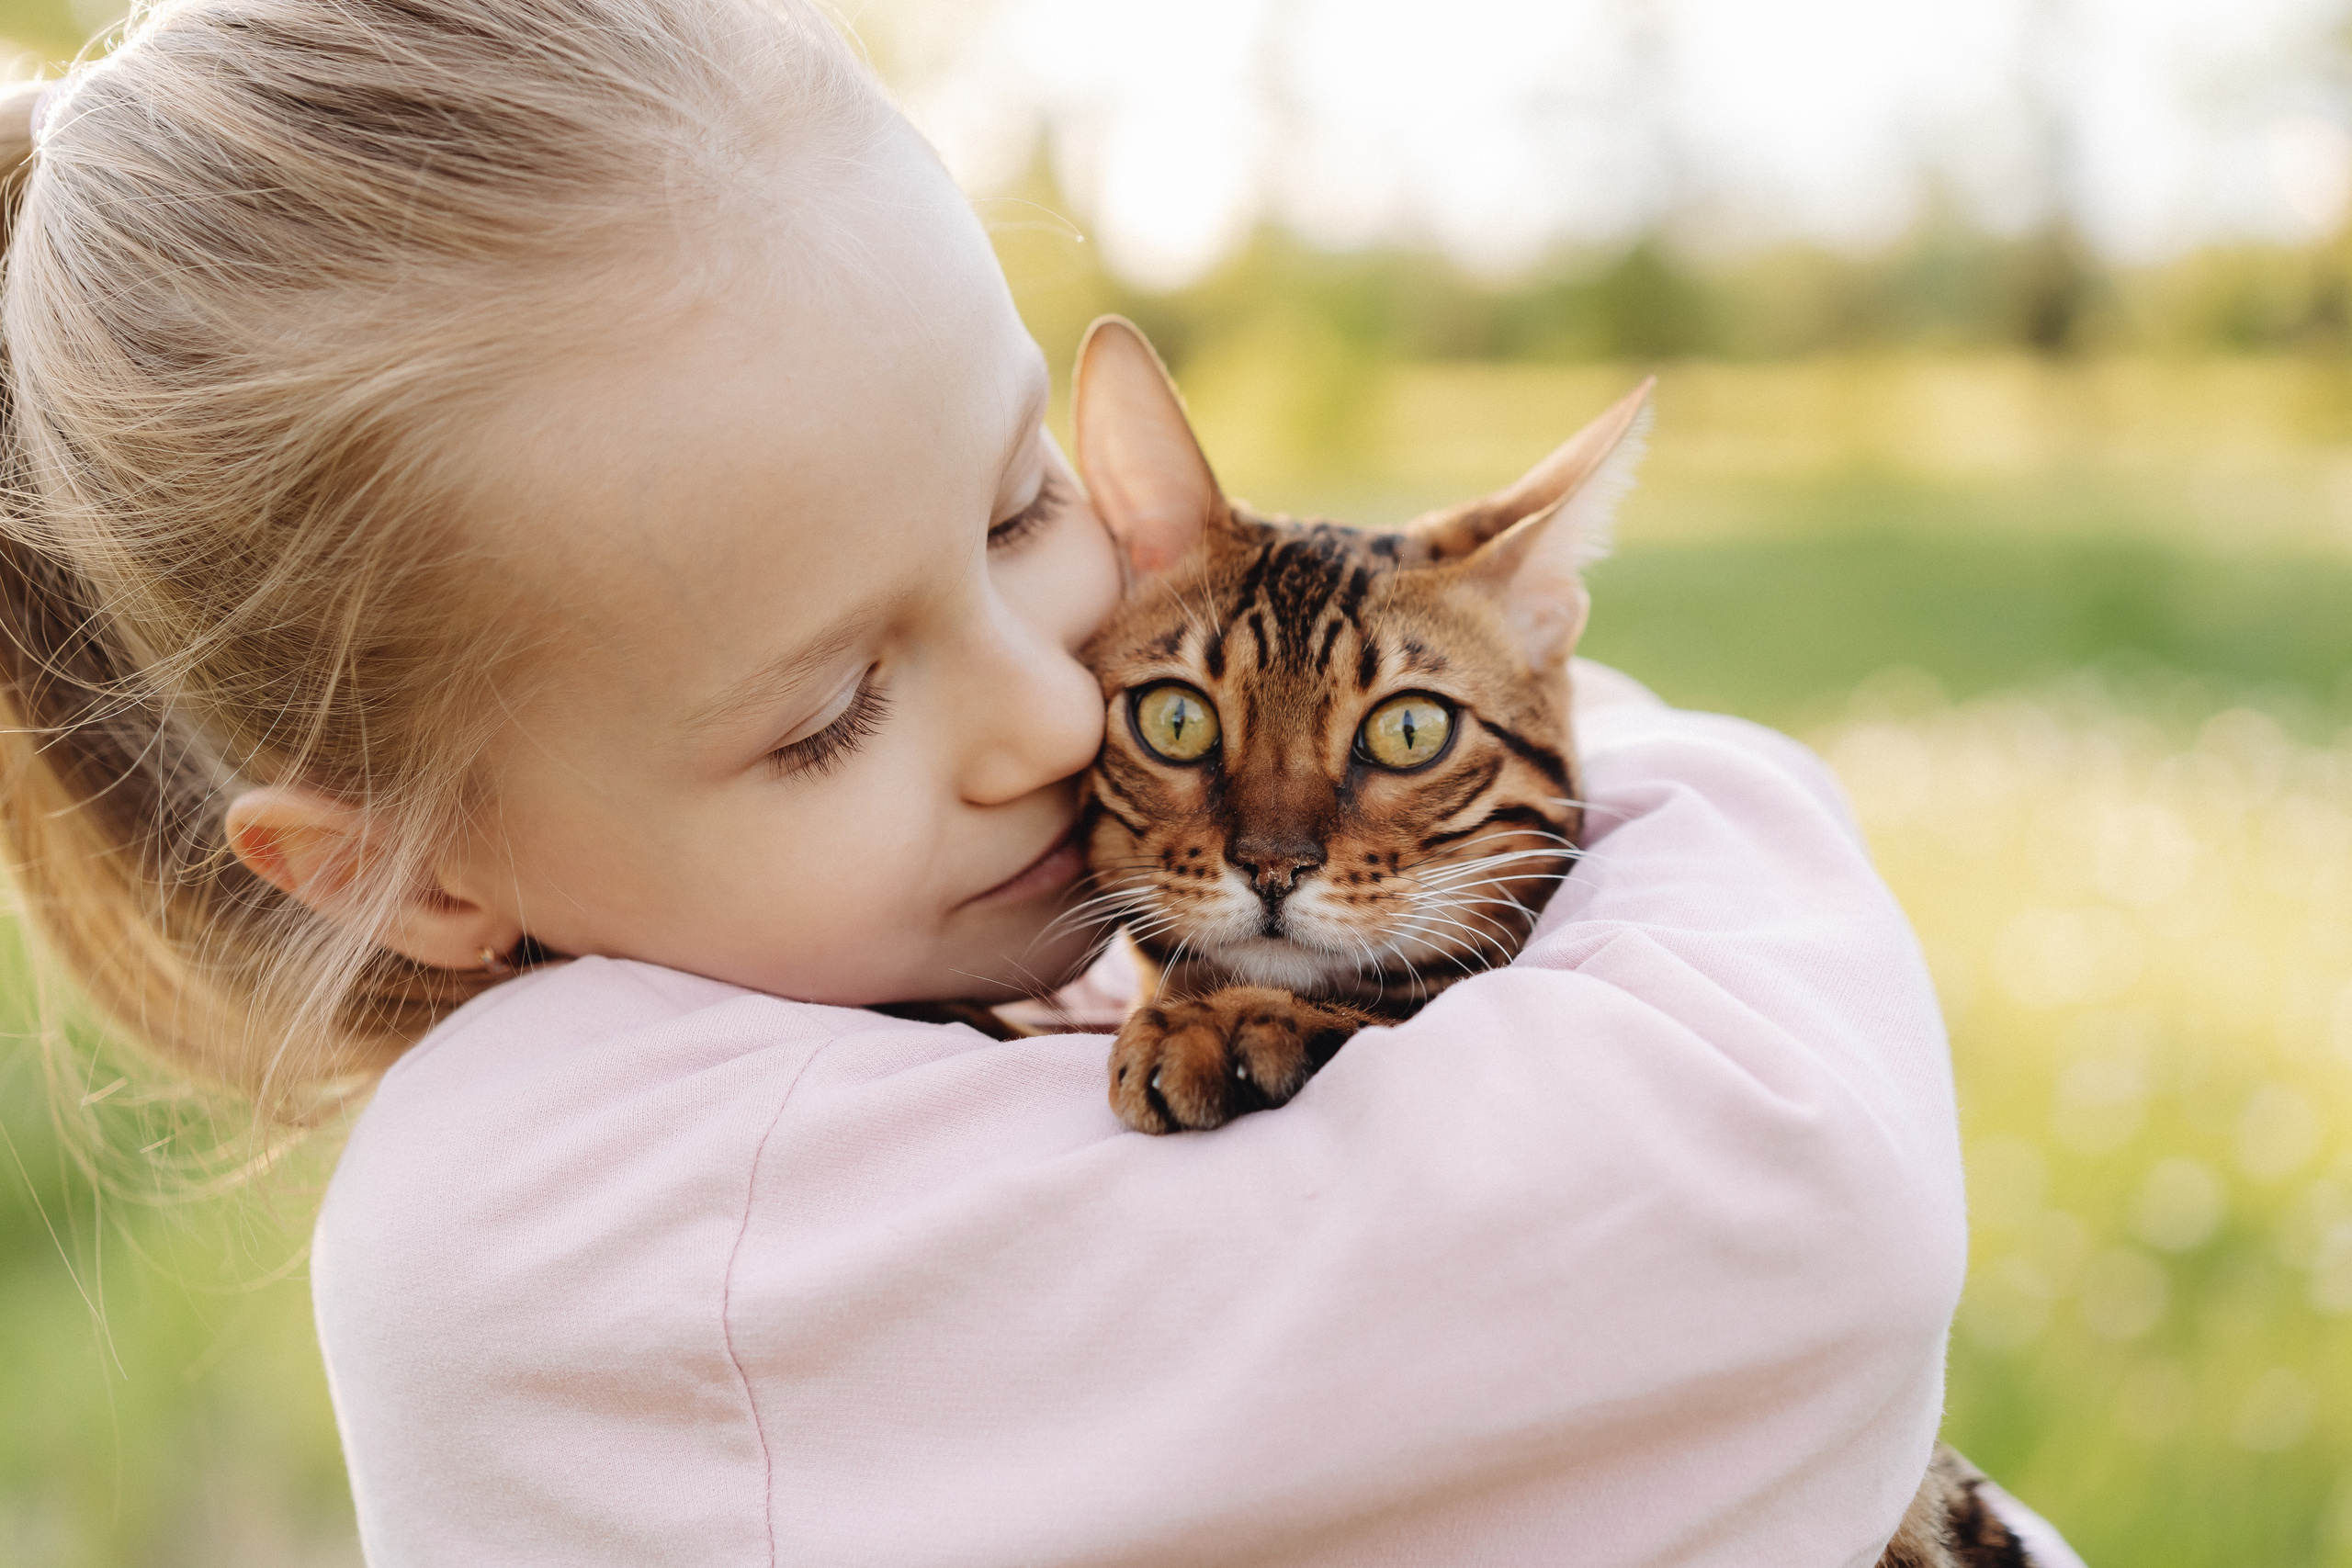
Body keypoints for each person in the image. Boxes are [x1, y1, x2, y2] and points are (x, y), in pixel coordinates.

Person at [0, 1, 2074, 1562]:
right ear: (414, 873)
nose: (1053, 720)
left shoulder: (965, 962)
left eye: (1015, 516)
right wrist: (1553, 709)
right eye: (827, 712)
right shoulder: (558, 1213)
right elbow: (1800, 1203)